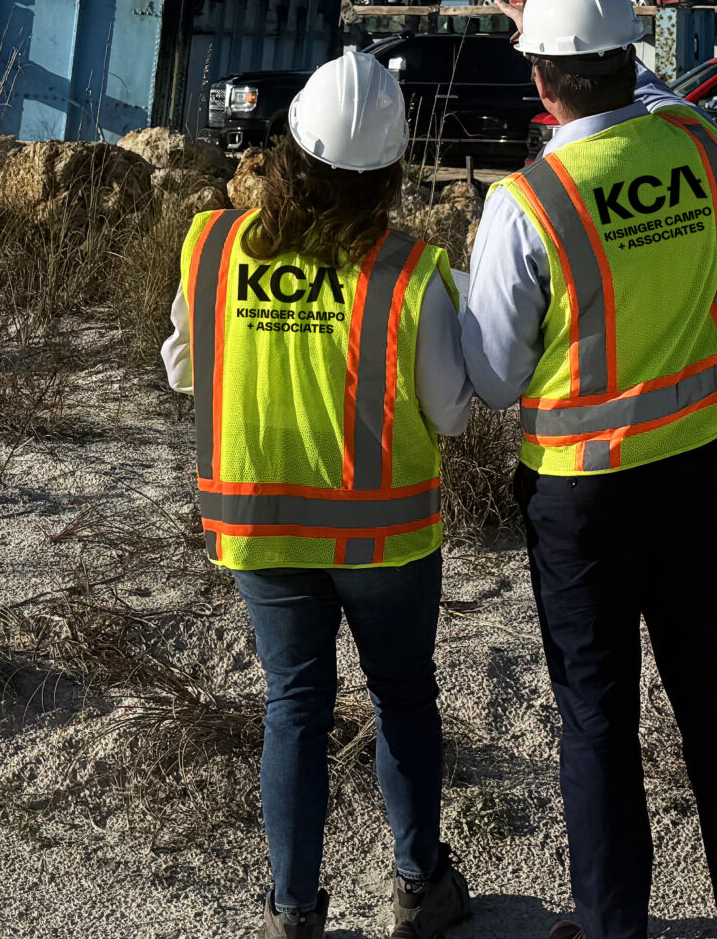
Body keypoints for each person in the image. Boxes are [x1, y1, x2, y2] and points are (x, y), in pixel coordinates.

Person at [462, 0, 717, 939]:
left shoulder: (531, 204)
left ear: (540, 80)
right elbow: (643, 92)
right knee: (714, 700)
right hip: (695, 471)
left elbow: (492, 377)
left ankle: (613, 929)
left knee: (598, 721)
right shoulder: (693, 140)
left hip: (583, 501)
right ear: (624, 59)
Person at [161, 48, 476, 939]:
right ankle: (420, 888)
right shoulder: (413, 270)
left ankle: (293, 912)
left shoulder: (212, 244)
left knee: (294, 705)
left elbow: (184, 367)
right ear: (389, 172)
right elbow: (451, 415)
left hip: (259, 527)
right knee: (402, 699)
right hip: (386, 543)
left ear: (289, 148)